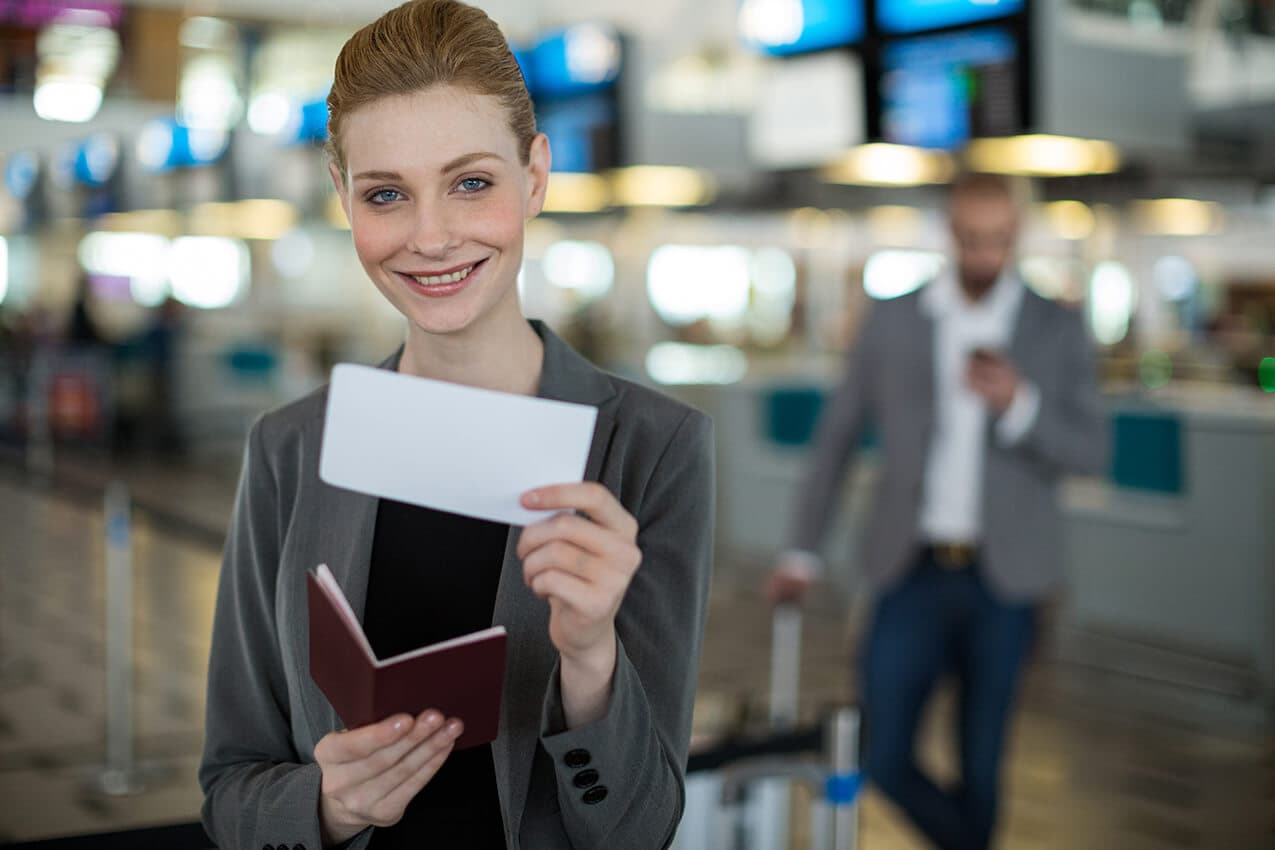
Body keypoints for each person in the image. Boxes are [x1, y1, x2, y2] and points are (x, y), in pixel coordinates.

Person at [198, 3, 714, 848]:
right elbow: (229, 789)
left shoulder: (652, 450)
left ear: (535, 176)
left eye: (471, 182)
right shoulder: (291, 447)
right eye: (386, 194)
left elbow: (642, 826)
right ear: (343, 198)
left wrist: (590, 660)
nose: (430, 237)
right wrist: (326, 806)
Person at [765, 173, 1108, 850]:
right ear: (949, 233)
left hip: (1004, 582)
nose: (984, 254)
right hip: (908, 567)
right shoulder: (894, 318)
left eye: (998, 240)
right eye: (971, 238)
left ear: (1016, 236)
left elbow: (1090, 451)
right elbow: (835, 439)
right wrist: (801, 551)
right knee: (882, 751)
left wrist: (1019, 404)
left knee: (982, 766)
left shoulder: (1056, 325)